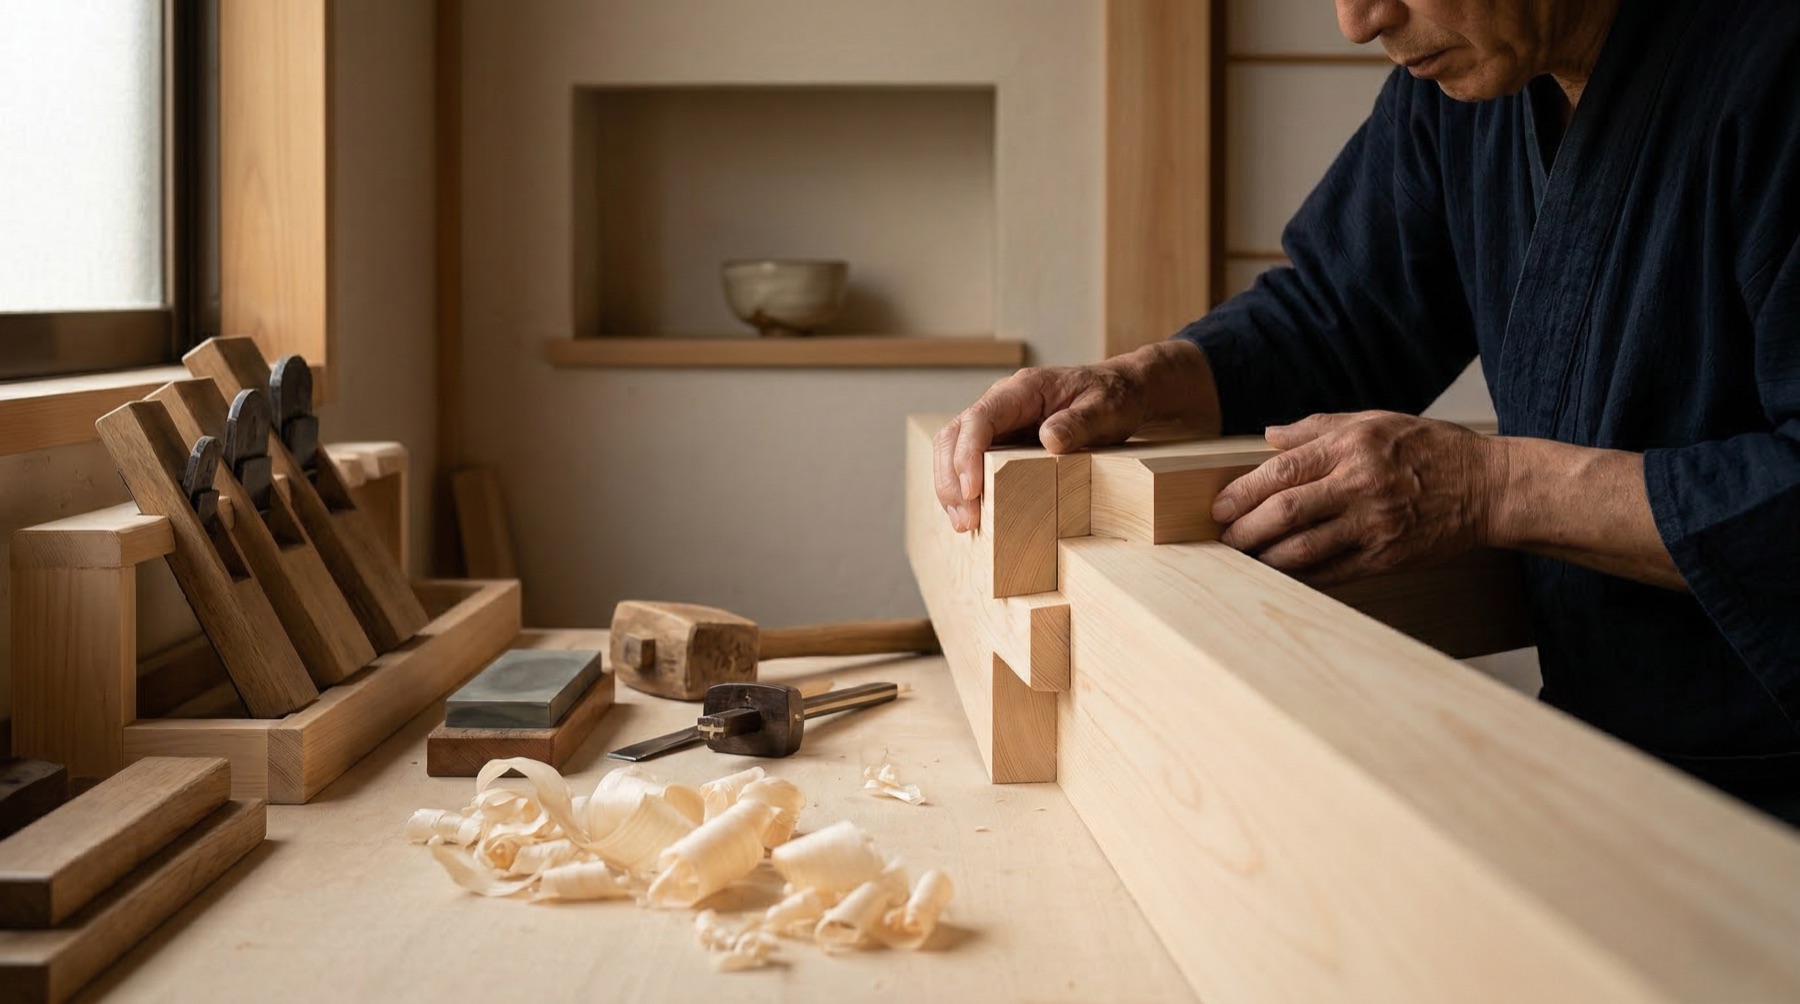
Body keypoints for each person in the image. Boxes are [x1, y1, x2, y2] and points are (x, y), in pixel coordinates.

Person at [932, 0, 1800, 826]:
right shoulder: (1466, 91)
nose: (1357, 23)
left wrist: (1492, 489)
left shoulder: (1772, 64)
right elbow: (1338, 316)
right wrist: (1135, 383)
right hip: (1602, 763)